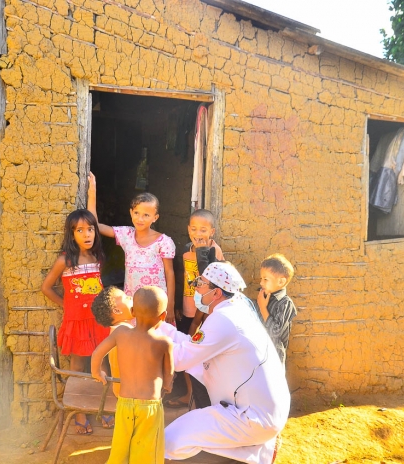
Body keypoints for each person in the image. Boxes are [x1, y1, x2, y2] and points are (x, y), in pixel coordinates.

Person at [161, 262, 290, 464]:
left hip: (252, 417)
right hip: (262, 410)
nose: (196, 288)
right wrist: (159, 327)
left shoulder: (224, 319)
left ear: (216, 293)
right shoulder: (237, 307)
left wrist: (147, 331)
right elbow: (192, 347)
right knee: (197, 369)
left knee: (169, 441)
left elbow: (178, 359)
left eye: (201, 283)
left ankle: (260, 449)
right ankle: (259, 449)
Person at [40, 209, 110, 434]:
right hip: (77, 322)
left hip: (98, 321)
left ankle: (103, 407)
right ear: (71, 234)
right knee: (78, 365)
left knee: (102, 362)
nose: (86, 234)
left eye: (90, 229)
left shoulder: (97, 258)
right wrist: (67, 306)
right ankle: (79, 412)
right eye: (80, 230)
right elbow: (46, 287)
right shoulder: (65, 261)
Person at [91, 286, 174, 464]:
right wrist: (167, 386)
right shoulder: (164, 342)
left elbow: (97, 353)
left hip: (124, 403)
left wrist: (96, 372)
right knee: (147, 451)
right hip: (149, 406)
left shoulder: (120, 333)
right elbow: (169, 374)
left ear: (133, 312)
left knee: (120, 448)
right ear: (163, 316)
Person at [88, 172, 177, 325]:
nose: (140, 218)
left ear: (155, 218)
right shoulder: (127, 235)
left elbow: (170, 273)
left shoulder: (164, 242)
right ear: (130, 212)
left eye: (146, 215)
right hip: (133, 304)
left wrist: (170, 305)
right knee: (135, 336)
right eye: (136, 213)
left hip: (156, 305)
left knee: (156, 336)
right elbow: (95, 225)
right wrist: (92, 192)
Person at [166, 209, 224, 409]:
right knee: (187, 352)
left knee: (203, 356)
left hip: (205, 314)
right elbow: (182, 278)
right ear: (188, 229)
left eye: (203, 230)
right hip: (188, 309)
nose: (198, 233)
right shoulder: (185, 250)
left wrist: (200, 318)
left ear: (212, 232)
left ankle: (204, 399)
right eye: (194, 229)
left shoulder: (215, 252)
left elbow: (214, 284)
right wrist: (177, 305)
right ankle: (189, 394)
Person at [91, 286, 136, 399]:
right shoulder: (124, 331)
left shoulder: (117, 330)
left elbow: (97, 354)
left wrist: (97, 373)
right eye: (126, 298)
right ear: (117, 310)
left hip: (121, 391)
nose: (131, 297)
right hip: (132, 394)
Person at [257, 254, 298, 365]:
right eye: (261, 279)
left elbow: (275, 332)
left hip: (274, 359)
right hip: (259, 355)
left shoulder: (285, 303)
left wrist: (262, 308)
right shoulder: (263, 297)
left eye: (265, 279)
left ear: (281, 282)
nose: (261, 283)